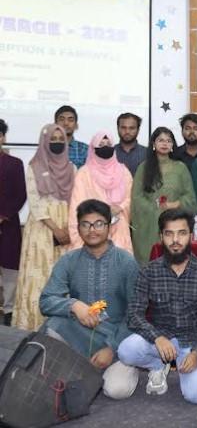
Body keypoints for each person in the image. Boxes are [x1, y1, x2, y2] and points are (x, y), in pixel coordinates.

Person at [40, 199, 140, 400]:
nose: (92, 230)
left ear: (109, 227)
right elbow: (46, 301)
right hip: (81, 332)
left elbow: (136, 313)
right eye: (85, 224)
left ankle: (106, 367)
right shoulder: (69, 260)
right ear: (78, 228)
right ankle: (82, 369)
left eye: (99, 224)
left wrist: (111, 348)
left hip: (115, 336)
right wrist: (74, 305)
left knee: (117, 390)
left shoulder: (126, 262)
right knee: (53, 325)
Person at [118, 209, 197, 404]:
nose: (175, 240)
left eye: (182, 233)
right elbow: (134, 314)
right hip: (160, 340)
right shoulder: (149, 271)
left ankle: (188, 366)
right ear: (161, 237)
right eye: (169, 234)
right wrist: (157, 338)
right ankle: (157, 366)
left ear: (191, 236)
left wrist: (196, 353)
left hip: (191, 343)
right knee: (126, 350)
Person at [13, 124, 75, 330]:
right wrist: (55, 228)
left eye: (60, 139)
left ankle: (60, 328)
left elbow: (75, 200)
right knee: (40, 275)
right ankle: (33, 324)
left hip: (66, 227)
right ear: (44, 142)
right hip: (42, 227)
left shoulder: (72, 168)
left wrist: (68, 228)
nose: (57, 143)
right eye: (52, 139)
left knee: (63, 275)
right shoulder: (34, 166)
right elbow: (35, 202)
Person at [131, 127, 197, 265]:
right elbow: (137, 198)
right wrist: (155, 210)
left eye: (168, 141)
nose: (165, 144)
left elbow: (190, 198)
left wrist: (175, 204)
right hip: (149, 224)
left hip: (175, 221)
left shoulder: (181, 168)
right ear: (153, 144)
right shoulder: (143, 168)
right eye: (161, 140)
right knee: (151, 263)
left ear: (173, 145)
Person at [68, 131, 134, 253]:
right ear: (93, 149)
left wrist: (120, 207)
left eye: (108, 144)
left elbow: (131, 198)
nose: (105, 147)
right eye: (101, 144)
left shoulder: (123, 171)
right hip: (92, 230)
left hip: (119, 230)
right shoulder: (84, 173)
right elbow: (76, 206)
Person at [0, 119, 26, 325]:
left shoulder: (15, 163)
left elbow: (21, 195)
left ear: (2, 137)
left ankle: (9, 311)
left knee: (10, 271)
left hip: (8, 225)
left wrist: (3, 216)